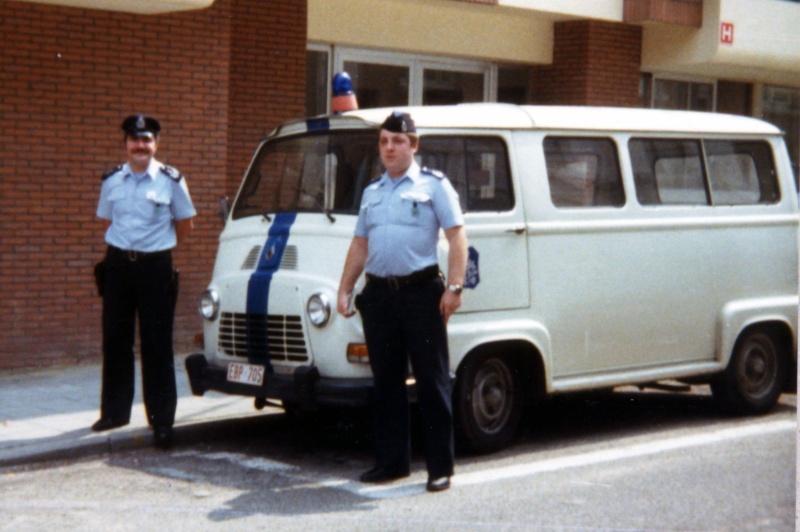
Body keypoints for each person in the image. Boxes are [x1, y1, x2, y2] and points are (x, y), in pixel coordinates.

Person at [337, 111, 468, 493]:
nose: (389, 148)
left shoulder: (433, 186)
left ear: (414, 145)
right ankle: (392, 462)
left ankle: (439, 467)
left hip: (421, 294)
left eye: (397, 141)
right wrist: (345, 287)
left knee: (431, 379)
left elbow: (458, 238)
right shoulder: (372, 192)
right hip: (379, 296)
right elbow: (360, 244)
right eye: (383, 142)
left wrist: (455, 288)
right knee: (387, 383)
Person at [92, 114, 197, 449]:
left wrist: (157, 250)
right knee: (115, 339)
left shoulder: (172, 180)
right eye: (135, 140)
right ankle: (115, 412)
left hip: (155, 268)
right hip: (119, 265)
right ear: (125, 144)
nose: (141, 146)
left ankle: (162, 422)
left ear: (156, 144)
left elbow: (186, 224)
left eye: (147, 140)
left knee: (156, 344)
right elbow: (107, 219)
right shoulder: (111, 181)